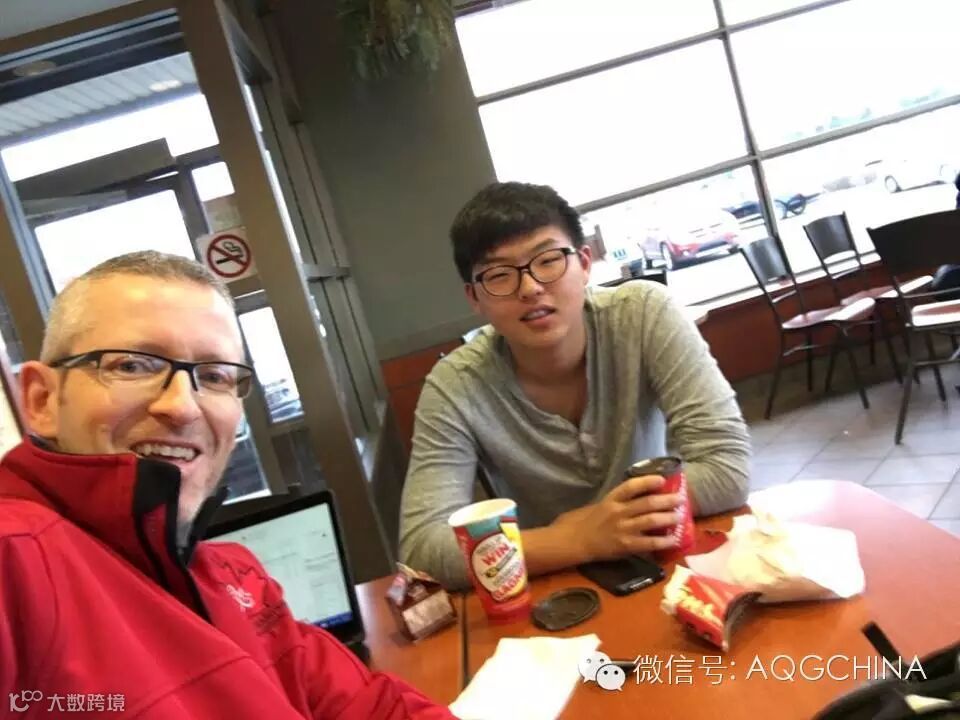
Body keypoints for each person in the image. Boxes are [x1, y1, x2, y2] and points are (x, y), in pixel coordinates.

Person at [0, 252, 453, 719]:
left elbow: (371, 707)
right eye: (132, 366)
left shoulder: (235, 578)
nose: (183, 407)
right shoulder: (15, 562)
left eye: (214, 375)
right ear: (42, 400)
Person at [400, 182, 751, 589]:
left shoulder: (643, 314)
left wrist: (605, 523)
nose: (530, 287)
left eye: (548, 260)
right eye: (499, 275)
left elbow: (727, 467)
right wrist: (575, 539)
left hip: (666, 551)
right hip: (553, 579)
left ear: (584, 263)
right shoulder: (454, 387)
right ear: (474, 297)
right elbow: (423, 550)